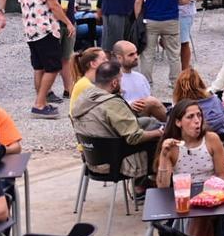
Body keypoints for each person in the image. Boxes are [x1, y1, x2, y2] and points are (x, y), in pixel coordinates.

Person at [70, 60, 164, 196]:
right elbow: (134, 137)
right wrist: (159, 132)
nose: (122, 85)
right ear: (114, 83)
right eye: (121, 80)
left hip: (92, 159)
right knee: (160, 140)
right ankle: (148, 186)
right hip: (115, 163)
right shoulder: (112, 103)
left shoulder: (84, 97)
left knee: (147, 122)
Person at [18, 0, 76, 118]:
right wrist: (67, 23)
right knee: (53, 66)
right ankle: (40, 104)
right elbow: (53, 5)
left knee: (39, 66)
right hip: (46, 27)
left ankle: (41, 100)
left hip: (30, 28)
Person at [133, 0, 190, 86]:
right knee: (174, 54)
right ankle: (175, 82)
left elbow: (138, 1)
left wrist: (137, 19)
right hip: (171, 20)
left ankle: (147, 82)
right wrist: (173, 0)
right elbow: (185, 0)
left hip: (151, 20)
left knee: (147, 54)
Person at [154, 99, 224, 188]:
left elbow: (222, 176)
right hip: (183, 194)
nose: (197, 120)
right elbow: (162, 186)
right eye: (190, 117)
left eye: (199, 115)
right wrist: (164, 156)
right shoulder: (172, 146)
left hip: (210, 192)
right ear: (178, 122)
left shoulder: (211, 139)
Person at [48, 0, 84, 100]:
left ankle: (68, 89)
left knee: (67, 57)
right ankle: (46, 92)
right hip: (52, 21)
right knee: (51, 58)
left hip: (69, 18)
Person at [112, 40, 168, 124]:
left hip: (144, 117)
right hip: (126, 118)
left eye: (136, 53)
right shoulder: (113, 79)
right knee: (151, 102)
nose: (136, 57)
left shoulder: (140, 77)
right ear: (119, 58)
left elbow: (149, 97)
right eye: (131, 55)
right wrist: (129, 105)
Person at [173, 67, 224, 135]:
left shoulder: (179, 108)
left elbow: (172, 130)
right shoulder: (215, 101)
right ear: (201, 83)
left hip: (192, 143)